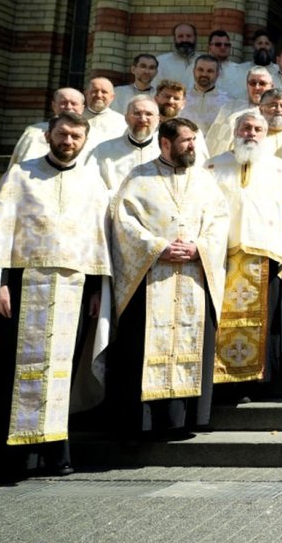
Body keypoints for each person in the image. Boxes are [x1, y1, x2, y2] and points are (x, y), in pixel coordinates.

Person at [0, 112, 110, 482]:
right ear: (48, 136)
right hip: (23, 286)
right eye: (62, 134)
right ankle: (8, 460)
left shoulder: (93, 182)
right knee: (11, 374)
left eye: (75, 136)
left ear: (84, 140)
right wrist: (1, 282)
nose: (68, 141)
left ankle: (53, 454)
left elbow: (97, 238)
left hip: (73, 289)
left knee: (60, 373)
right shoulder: (21, 175)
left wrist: (95, 290)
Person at [109, 117, 229, 438]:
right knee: (144, 345)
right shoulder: (138, 178)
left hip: (193, 278)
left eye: (194, 140)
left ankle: (184, 421)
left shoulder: (204, 180)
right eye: (186, 140)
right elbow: (123, 223)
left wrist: (199, 248)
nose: (192, 146)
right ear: (165, 143)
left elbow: (220, 222)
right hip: (151, 281)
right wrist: (157, 247)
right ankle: (146, 423)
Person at [204, 111, 282, 386]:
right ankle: (222, 381)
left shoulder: (279, 169)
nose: (251, 133)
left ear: (265, 134)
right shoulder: (213, 166)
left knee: (265, 321)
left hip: (265, 256)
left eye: (257, 129)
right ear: (235, 131)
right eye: (245, 128)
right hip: (221, 258)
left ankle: (261, 381)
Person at [88, 95, 161, 190]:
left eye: (149, 114)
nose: (142, 119)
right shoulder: (104, 150)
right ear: (126, 118)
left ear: (158, 119)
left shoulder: (167, 150)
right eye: (136, 113)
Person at [10, 88, 84, 165]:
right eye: (63, 103)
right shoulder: (35, 132)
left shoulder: (91, 134)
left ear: (82, 108)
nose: (68, 107)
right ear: (54, 106)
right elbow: (26, 165)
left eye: (74, 103)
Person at [82, 77, 126, 148]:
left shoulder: (122, 122)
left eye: (104, 92)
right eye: (94, 91)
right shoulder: (76, 117)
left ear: (112, 97)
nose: (99, 95)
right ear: (86, 94)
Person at [154, 22, 198, 90]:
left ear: (195, 38)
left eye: (189, 36)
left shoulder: (204, 62)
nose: (185, 40)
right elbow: (155, 88)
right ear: (174, 39)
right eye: (180, 36)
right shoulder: (160, 61)